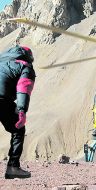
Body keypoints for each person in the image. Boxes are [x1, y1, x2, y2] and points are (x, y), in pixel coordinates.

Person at [0, 45, 36, 179]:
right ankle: (13, 167)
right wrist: (21, 110)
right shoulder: (24, 66)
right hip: (2, 100)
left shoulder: (1, 62)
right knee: (18, 129)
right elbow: (23, 87)